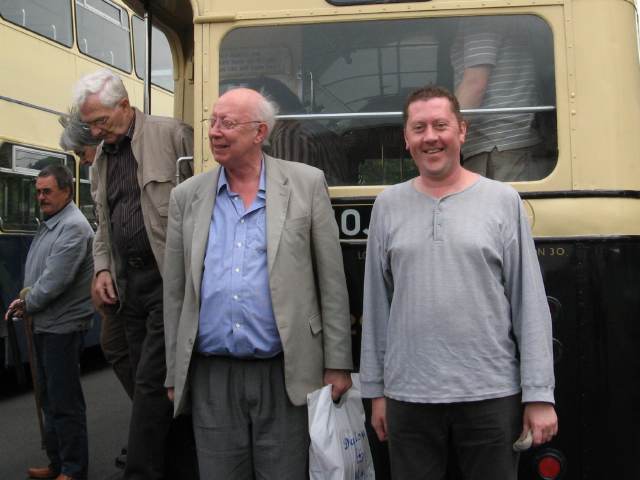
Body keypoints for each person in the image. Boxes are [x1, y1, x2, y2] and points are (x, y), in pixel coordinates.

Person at [359, 85, 558, 479]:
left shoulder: (502, 201)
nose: (430, 137)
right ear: (406, 139)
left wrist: (539, 395)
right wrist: (375, 391)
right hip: (408, 396)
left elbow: (529, 304)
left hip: (491, 394)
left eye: (440, 125)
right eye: (419, 128)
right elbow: (376, 306)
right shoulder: (387, 206)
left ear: (462, 131)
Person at [163, 87, 353, 479]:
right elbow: (176, 294)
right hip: (212, 374)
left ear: (259, 132)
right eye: (212, 122)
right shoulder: (187, 197)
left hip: (285, 370)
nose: (215, 131)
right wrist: (173, 371)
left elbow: (331, 282)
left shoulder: (306, 184)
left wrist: (337, 363)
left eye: (227, 123)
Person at [73, 68, 196, 480]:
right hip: (130, 286)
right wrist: (102, 268)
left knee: (148, 383)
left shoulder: (171, 135)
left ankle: (141, 471)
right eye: (89, 123)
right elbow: (103, 224)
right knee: (154, 386)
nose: (93, 131)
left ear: (124, 106)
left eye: (100, 121)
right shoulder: (100, 161)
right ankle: (183, 463)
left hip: (168, 279)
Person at [5, 165, 93, 480]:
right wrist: (28, 299)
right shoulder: (53, 223)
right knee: (48, 399)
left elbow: (55, 280)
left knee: (64, 401)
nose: (40, 197)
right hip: (46, 324)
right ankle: (58, 464)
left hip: (63, 327)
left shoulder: (73, 227)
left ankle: (73, 469)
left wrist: (27, 302)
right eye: (38, 191)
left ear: (67, 191)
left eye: (47, 191)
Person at [451, 17, 552, 181]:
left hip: (495, 145)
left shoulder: (480, 17)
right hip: (506, 144)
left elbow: (475, 84)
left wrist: (445, 136)